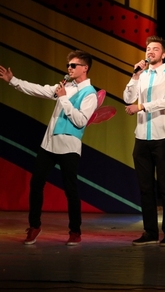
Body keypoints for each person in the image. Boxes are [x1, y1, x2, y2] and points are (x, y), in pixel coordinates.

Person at [0, 50, 98, 245]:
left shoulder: (90, 94)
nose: (69, 68)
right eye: (68, 65)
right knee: (36, 184)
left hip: (69, 146)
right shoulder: (64, 86)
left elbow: (80, 121)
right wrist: (13, 81)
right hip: (49, 144)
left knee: (70, 189)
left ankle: (75, 231)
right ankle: (34, 226)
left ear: (85, 68)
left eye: (73, 65)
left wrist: (63, 98)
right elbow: (39, 89)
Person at [124, 35, 165, 247]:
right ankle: (150, 232)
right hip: (141, 137)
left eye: (155, 49)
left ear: (163, 54)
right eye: (148, 49)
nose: (150, 52)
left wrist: (141, 107)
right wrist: (135, 76)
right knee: (145, 188)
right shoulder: (141, 75)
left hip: (163, 137)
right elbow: (127, 98)